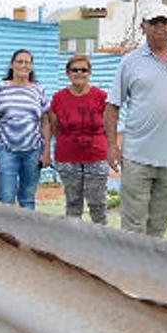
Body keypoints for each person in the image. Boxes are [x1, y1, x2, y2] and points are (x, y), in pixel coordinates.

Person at [105, 3, 167, 237]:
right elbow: (112, 106)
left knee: (158, 228)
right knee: (133, 228)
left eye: (164, 22)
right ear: (144, 27)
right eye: (154, 23)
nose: (160, 27)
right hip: (137, 159)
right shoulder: (130, 62)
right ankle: (131, 273)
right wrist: (112, 145)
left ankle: (149, 270)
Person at [44, 54, 109, 224]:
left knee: (98, 204)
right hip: (68, 158)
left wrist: (113, 149)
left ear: (90, 73)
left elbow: (109, 126)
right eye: (75, 70)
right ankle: (74, 244)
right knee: (73, 203)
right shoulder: (59, 98)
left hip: (96, 157)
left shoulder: (101, 96)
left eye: (84, 70)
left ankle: (102, 243)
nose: (79, 73)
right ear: (68, 73)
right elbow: (54, 126)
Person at [0, 49, 51, 210]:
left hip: (33, 151)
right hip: (6, 150)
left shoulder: (39, 90)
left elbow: (46, 122)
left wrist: (47, 151)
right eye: (20, 61)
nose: (23, 65)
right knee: (6, 198)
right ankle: (4, 234)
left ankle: (27, 235)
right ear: (12, 65)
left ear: (32, 67)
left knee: (27, 199)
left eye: (27, 62)